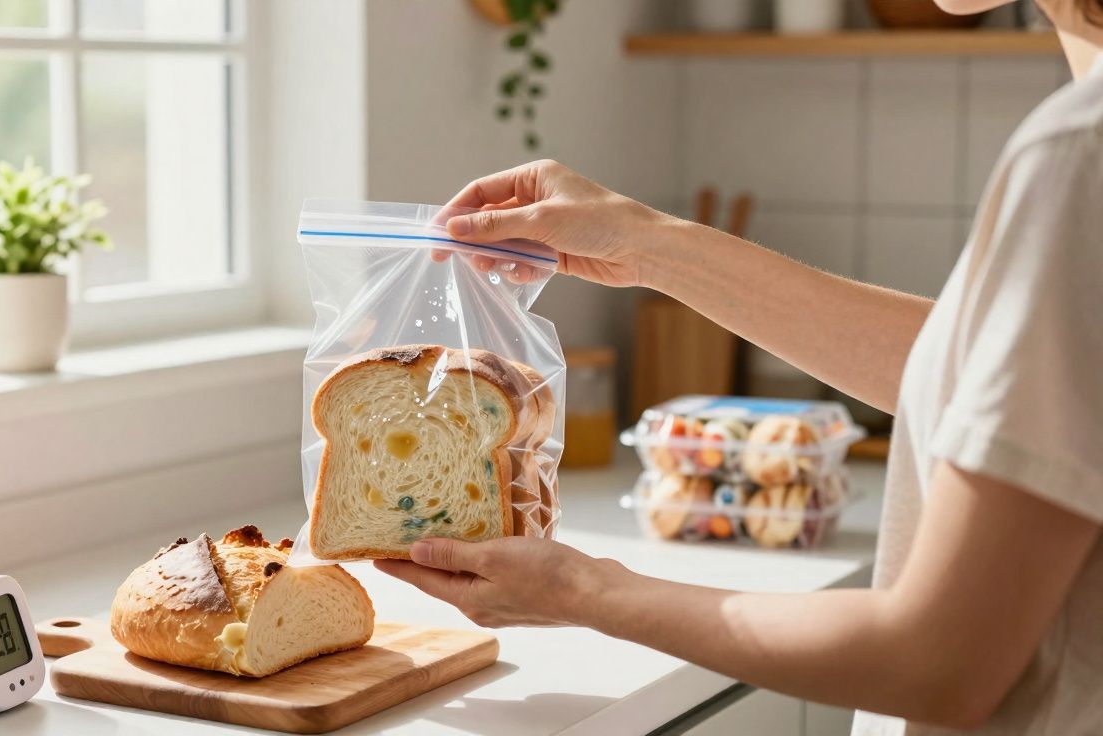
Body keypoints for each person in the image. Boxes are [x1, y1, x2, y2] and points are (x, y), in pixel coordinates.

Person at [373, 0, 1103, 732]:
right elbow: (990, 374)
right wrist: (647, 244)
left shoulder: (1078, 149)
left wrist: (583, 591)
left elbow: (940, 662)